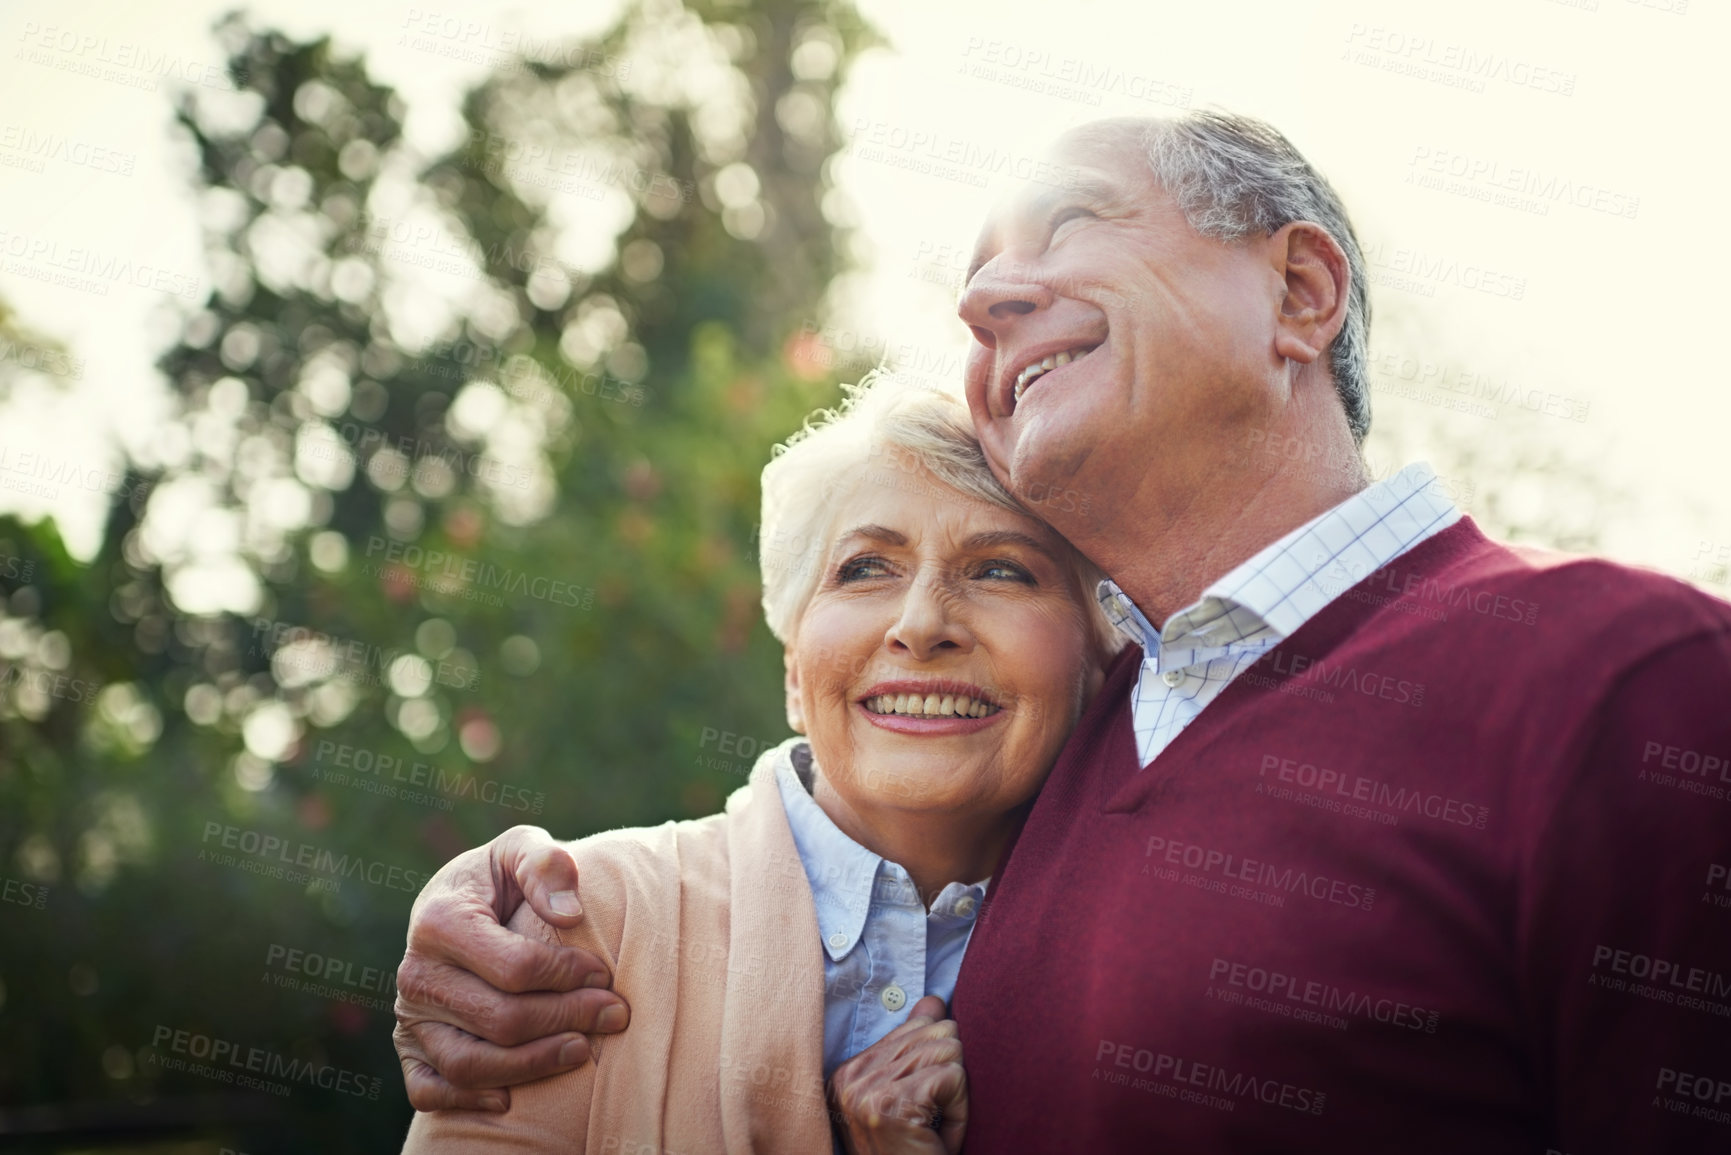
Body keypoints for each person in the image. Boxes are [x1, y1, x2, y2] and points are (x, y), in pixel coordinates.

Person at [395, 112, 1731, 1153]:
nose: (982, 304)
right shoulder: (1067, 755)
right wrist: (499, 896)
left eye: (1065, 232)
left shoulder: (1632, 682)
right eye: (976, 282)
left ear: (1300, 291)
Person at [397, 374, 1119, 1152]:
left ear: (1102, 665)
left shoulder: (1151, 960)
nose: (920, 622)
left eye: (1001, 568)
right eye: (865, 567)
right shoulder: (588, 922)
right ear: (792, 673)